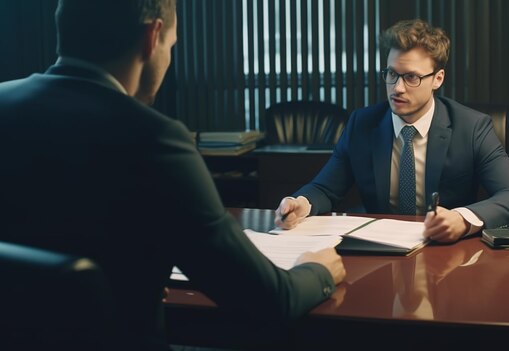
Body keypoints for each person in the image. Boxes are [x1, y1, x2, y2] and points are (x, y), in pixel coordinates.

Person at [0, 0, 345, 350]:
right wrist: (316, 270)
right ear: (153, 37)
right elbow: (268, 301)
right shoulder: (153, 138)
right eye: (172, 45)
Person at [275, 18, 509, 243]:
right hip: (380, 252)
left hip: (447, 254)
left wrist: (463, 219)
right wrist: (302, 204)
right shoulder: (362, 124)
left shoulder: (471, 127)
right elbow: (324, 189)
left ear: (438, 79)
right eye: (391, 73)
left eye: (411, 77)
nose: (397, 88)